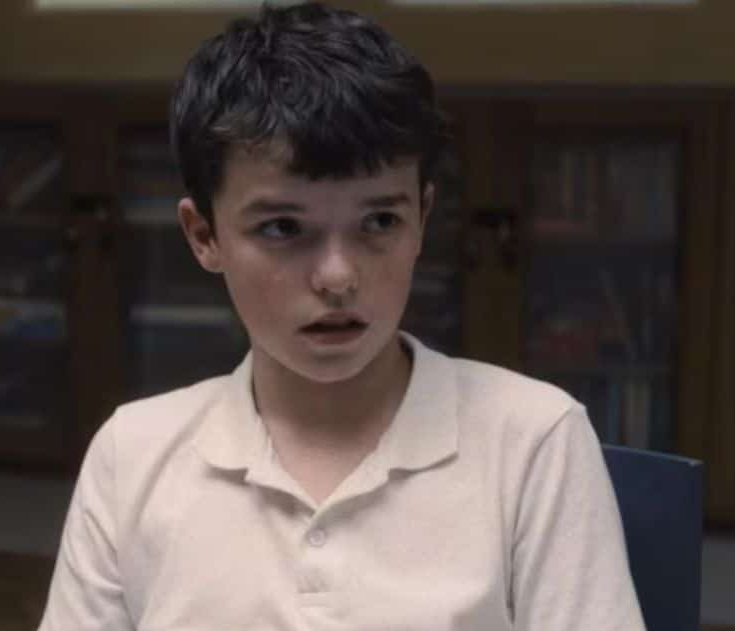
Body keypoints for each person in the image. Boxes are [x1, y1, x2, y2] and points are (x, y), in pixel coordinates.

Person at [38, 3, 645, 629]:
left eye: (379, 221)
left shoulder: (533, 441)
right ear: (204, 235)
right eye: (282, 228)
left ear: (422, 219)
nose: (337, 276)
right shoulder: (133, 454)